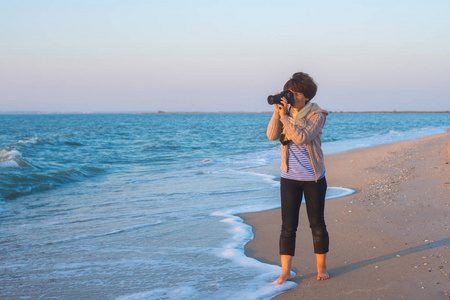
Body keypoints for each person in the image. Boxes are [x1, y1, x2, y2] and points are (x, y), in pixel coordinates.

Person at [266, 72, 330, 284]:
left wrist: (285, 117)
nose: (291, 97)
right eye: (289, 92)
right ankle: (285, 272)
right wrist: (278, 113)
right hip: (289, 177)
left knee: (317, 224)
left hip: (313, 178)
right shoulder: (286, 113)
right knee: (288, 226)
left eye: (295, 93)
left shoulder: (317, 115)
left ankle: (321, 267)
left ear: (306, 95)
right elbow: (272, 135)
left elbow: (301, 138)